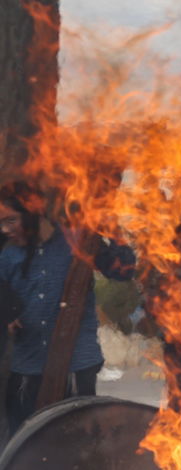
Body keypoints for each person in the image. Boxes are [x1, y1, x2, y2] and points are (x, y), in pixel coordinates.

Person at [0, 183, 136, 434]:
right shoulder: (8, 256)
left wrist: (114, 232)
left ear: (33, 213)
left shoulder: (77, 241)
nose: (4, 229)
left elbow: (123, 271)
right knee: (26, 446)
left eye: (11, 220)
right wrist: (7, 312)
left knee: (77, 445)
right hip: (28, 370)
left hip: (77, 367)